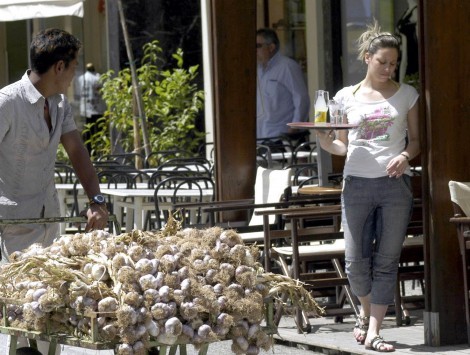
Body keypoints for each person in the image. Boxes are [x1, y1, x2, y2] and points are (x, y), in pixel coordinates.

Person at [316, 21, 419, 352]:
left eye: (394, 63)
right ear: (367, 58)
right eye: (382, 62)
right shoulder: (346, 96)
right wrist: (323, 139)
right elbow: (342, 147)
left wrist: (404, 156)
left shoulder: (407, 95)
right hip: (356, 185)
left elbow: (416, 141)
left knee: (387, 260)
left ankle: (374, 330)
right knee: (356, 261)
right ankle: (364, 312)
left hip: (394, 187)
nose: (389, 68)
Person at [0, 28, 109, 263]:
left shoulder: (60, 104)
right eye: (74, 67)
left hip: (49, 224)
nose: (75, 74)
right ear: (59, 67)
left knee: (45, 298)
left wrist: (97, 201)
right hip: (12, 229)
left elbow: (77, 152)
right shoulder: (7, 103)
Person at [256, 28, 310, 145]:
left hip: (283, 137)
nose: (254, 50)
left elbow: (301, 98)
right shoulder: (258, 70)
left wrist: (294, 128)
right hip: (261, 136)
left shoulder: (287, 67)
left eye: (258, 46)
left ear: (271, 47)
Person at [76, 62, 106, 152]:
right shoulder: (98, 78)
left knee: (88, 132)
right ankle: (97, 151)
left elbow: (77, 94)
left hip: (86, 110)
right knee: (98, 132)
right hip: (97, 109)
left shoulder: (81, 78)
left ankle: (89, 151)